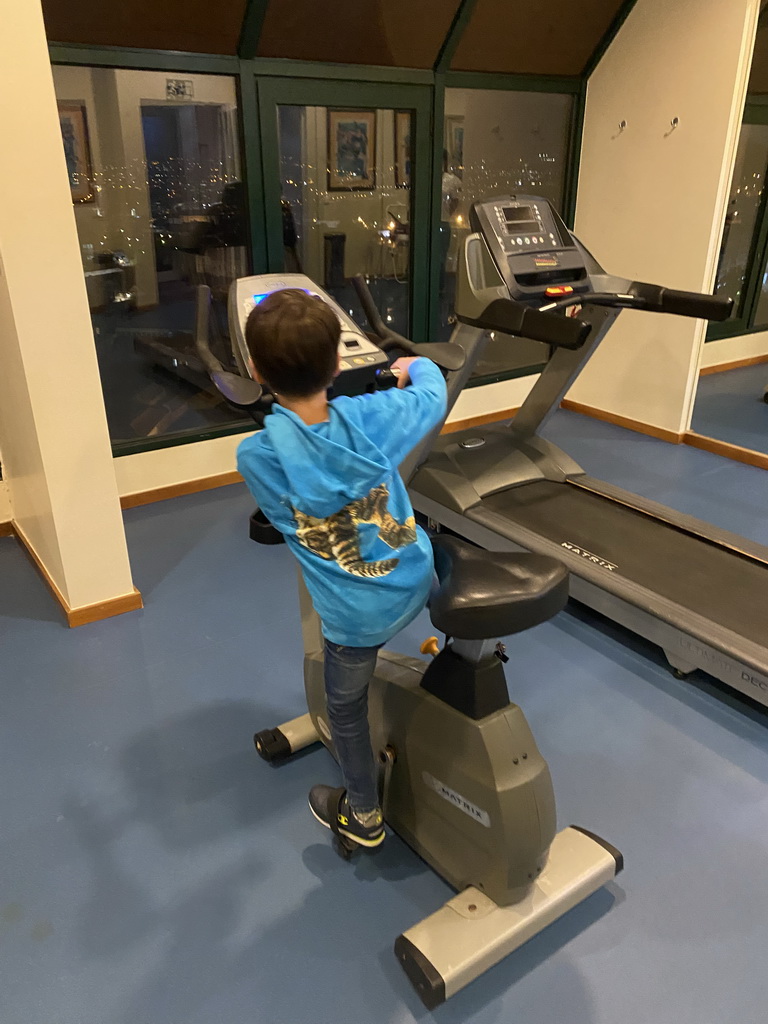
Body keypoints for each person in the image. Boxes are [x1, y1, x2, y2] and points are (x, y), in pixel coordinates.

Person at [236, 289, 447, 849]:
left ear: (255, 369)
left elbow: (286, 515)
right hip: (414, 579)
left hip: (354, 622)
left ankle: (363, 815)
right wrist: (414, 365)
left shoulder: (257, 457)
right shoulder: (374, 417)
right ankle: (448, 648)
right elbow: (433, 393)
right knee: (434, 553)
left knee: (344, 711)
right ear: (336, 363)